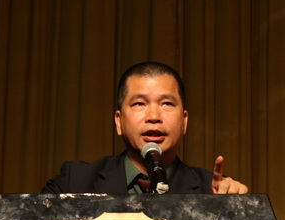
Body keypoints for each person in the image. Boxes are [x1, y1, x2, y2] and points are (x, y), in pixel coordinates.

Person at [41, 62, 248, 194]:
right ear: (119, 121)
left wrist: (237, 210)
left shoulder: (211, 191)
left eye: (167, 104)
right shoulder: (74, 183)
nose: (154, 117)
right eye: (139, 103)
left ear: (184, 121)